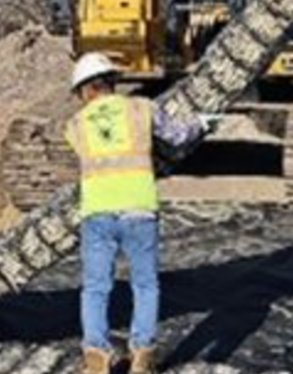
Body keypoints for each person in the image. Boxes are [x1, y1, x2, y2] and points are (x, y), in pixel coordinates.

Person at [65, 53, 207, 374]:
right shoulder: (141, 108)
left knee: (95, 287)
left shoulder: (74, 126)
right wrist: (201, 123)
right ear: (112, 82)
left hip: (97, 213)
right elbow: (177, 135)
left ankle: (96, 358)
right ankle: (142, 356)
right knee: (145, 285)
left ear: (84, 91)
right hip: (139, 210)